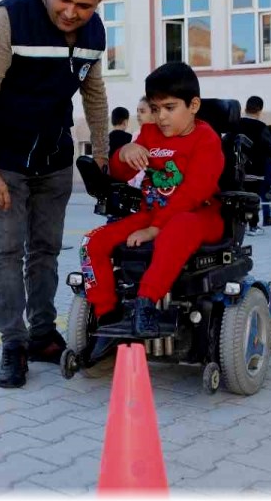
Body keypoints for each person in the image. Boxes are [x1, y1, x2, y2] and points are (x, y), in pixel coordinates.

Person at [0, 0, 110, 389]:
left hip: (53, 159)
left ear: (99, 2)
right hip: (5, 160)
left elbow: (95, 94)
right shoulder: (9, 19)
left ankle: (43, 334)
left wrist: (101, 156)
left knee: (46, 249)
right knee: (6, 252)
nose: (71, 12)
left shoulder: (94, 33)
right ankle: (13, 343)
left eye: (84, 6)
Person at [80, 63, 223, 340]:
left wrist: (155, 228)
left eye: (170, 108)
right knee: (92, 242)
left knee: (179, 225)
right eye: (156, 109)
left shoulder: (206, 139)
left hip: (199, 216)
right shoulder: (149, 135)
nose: (161, 117)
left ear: (193, 105)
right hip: (152, 212)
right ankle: (107, 314)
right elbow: (121, 173)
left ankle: (146, 304)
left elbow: (194, 192)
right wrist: (124, 153)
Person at [236, 96, 271, 235]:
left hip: (236, 169)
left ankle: (238, 226)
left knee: (237, 198)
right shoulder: (261, 127)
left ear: (245, 108)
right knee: (252, 199)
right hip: (255, 170)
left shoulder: (235, 124)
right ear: (260, 110)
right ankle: (253, 226)